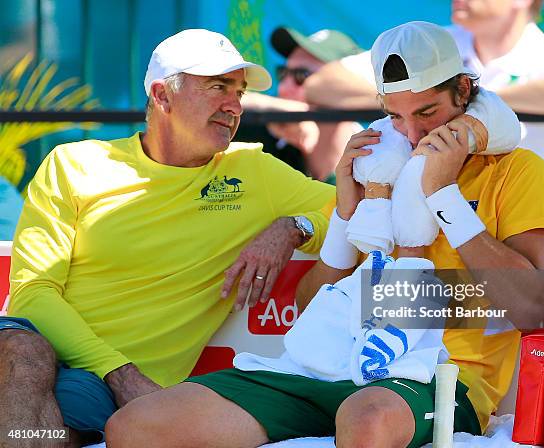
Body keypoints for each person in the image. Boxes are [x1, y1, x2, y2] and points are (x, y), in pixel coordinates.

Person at [104, 22, 544, 448]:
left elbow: (529, 307)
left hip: (439, 378)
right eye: (395, 117)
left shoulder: (518, 171)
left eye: (427, 113)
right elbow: (310, 306)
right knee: (136, 426)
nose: (412, 135)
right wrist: (346, 217)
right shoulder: (380, 168)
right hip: (326, 369)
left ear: (464, 92)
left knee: (366, 420)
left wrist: (443, 196)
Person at [0, 29, 334, 446]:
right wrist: (119, 372)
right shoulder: (73, 164)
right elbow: (32, 293)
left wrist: (293, 228)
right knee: (23, 355)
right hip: (55, 361)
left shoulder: (254, 172)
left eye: (239, 92)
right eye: (217, 87)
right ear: (162, 96)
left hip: (101, 395)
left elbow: (354, 212)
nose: (234, 106)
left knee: (34, 423)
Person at [303, 0, 544, 199]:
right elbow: (322, 84)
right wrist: (406, 102)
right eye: (400, 117)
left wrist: (477, 101)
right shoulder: (432, 43)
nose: (414, 131)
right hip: (426, 224)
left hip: (525, 225)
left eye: (427, 111)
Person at [239, 27, 363, 183]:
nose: (283, 87)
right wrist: (270, 106)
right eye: (283, 73)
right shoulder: (264, 135)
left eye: (302, 75)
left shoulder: (375, 157)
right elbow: (208, 108)